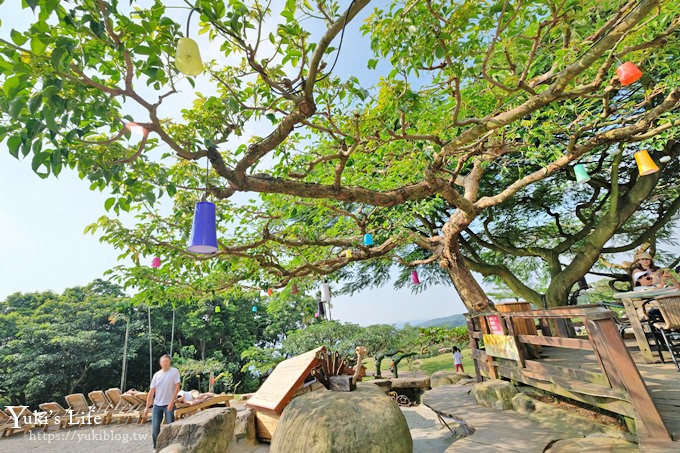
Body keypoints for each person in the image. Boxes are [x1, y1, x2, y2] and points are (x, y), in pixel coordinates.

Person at [144, 354, 181, 450]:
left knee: (170, 427)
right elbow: (151, 391)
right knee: (155, 428)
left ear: (169, 362)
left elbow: (177, 387)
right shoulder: (157, 375)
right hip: (157, 405)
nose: (164, 363)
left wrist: (172, 403)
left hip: (169, 404)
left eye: (166, 361)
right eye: (162, 361)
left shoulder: (174, 372)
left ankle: (172, 447)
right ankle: (156, 448)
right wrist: (147, 407)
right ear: (160, 363)